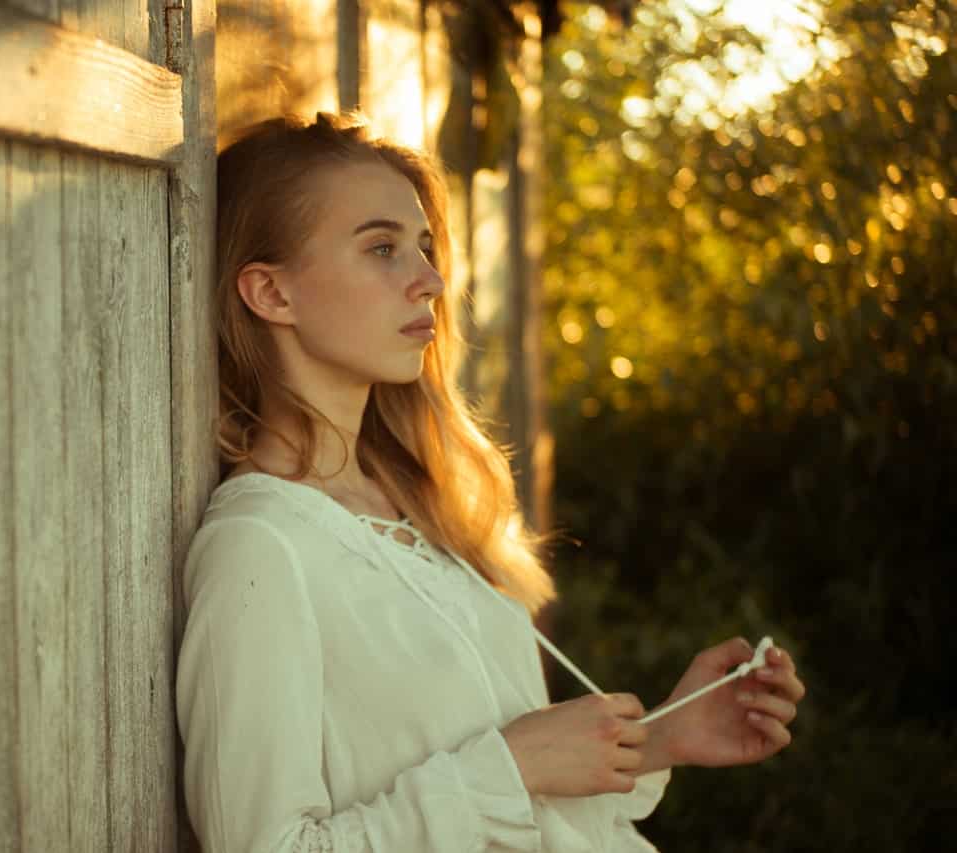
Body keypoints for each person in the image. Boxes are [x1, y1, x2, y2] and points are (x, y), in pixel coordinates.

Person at [174, 111, 806, 852]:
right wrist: (516, 763)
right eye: (381, 248)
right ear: (270, 294)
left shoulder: (414, 509)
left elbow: (517, 808)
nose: (431, 281)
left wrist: (660, 737)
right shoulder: (260, 546)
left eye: (424, 248)